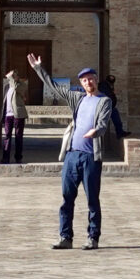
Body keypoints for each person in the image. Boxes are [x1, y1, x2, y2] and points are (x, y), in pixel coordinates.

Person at [52, 66, 112, 251]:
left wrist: (96, 131)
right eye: (84, 80)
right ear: (81, 84)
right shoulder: (78, 98)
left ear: (96, 79)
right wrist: (38, 69)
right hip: (72, 155)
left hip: (90, 157)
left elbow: (103, 122)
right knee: (66, 198)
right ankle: (65, 238)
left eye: (91, 79)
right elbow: (53, 86)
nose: (88, 82)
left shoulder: (105, 101)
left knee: (92, 199)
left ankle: (93, 238)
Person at [0, 66, 26, 164]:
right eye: (11, 76)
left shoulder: (21, 85)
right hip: (8, 115)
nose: (12, 77)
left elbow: (16, 88)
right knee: (7, 136)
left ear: (17, 77)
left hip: (18, 114)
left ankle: (18, 157)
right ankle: (5, 157)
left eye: (14, 76)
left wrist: (10, 78)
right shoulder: (7, 87)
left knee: (18, 136)